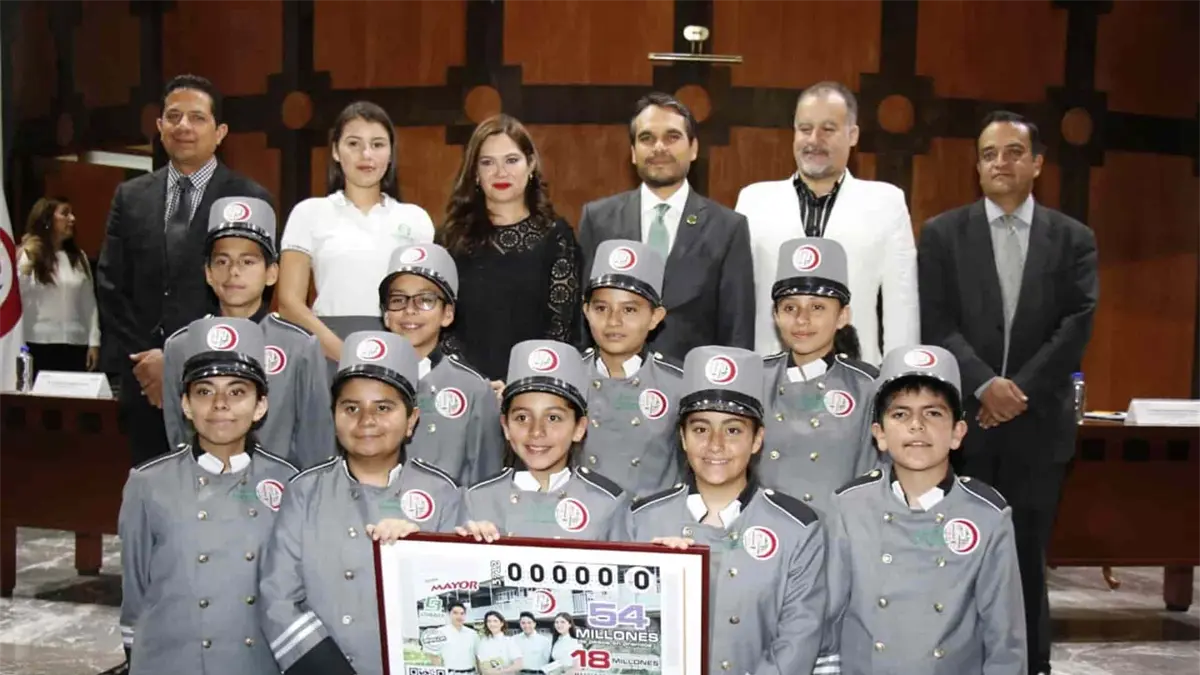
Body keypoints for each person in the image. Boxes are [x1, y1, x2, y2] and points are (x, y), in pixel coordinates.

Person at [918, 111, 1097, 675]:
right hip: (965, 428)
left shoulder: (1073, 239)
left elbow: (1077, 324)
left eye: (1014, 152)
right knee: (958, 550)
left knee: (1025, 555)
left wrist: (1018, 391)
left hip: (1038, 428)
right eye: (989, 153)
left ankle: (1030, 665)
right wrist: (984, 385)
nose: (1001, 162)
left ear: (1037, 164)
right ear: (977, 166)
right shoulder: (942, 234)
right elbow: (935, 321)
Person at [258, 331, 462, 675]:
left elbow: (453, 603)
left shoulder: (443, 494)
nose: (366, 421)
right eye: (351, 408)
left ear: (411, 419)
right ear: (334, 415)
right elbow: (278, 599)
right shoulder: (305, 491)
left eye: (383, 408)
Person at [96, 74, 274, 465]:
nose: (183, 126)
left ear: (220, 132)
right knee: (148, 488)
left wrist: (177, 361)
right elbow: (110, 285)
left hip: (217, 380)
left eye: (197, 117)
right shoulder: (130, 196)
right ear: (160, 126)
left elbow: (249, 292)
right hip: (141, 381)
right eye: (174, 117)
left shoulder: (248, 198)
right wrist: (147, 363)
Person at [819, 345, 1025, 674]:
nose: (917, 425)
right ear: (879, 434)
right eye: (900, 414)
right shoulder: (849, 506)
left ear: (957, 432)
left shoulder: (987, 515)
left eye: (933, 413)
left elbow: (1005, 639)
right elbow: (828, 618)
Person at [626, 346, 826, 675]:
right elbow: (623, 635)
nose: (715, 445)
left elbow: (797, 643)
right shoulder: (642, 520)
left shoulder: (796, 528)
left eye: (733, 430)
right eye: (700, 429)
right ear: (683, 437)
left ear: (757, 439)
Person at [117, 316, 299, 675]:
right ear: (186, 405)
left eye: (237, 392)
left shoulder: (290, 483)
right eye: (204, 391)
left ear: (260, 406)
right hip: (171, 661)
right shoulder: (148, 483)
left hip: (255, 664)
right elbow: (136, 591)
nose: (220, 404)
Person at [736, 81, 919, 364]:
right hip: (768, 373)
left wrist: (901, 379)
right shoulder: (753, 201)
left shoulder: (887, 203)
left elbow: (902, 307)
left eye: (828, 129)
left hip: (857, 373)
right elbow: (737, 304)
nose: (814, 140)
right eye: (805, 129)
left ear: (853, 135)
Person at [578, 93, 754, 361]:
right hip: (612, 382)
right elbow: (582, 321)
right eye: (647, 138)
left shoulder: (728, 228)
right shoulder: (598, 219)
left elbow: (737, 334)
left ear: (693, 148)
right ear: (633, 152)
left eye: (672, 137)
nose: (659, 147)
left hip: (693, 382)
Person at [162, 197, 332, 468]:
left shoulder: (299, 346)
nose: (233, 272)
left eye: (248, 261)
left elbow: (316, 441)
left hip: (282, 487)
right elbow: (178, 436)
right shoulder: (181, 345)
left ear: (271, 273)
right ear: (208, 273)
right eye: (222, 261)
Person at [278, 101, 435, 364]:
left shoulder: (415, 218)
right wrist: (347, 356)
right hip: (325, 349)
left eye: (377, 144)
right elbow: (288, 303)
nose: (366, 154)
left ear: (391, 153)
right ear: (335, 151)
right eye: (353, 143)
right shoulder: (309, 213)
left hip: (398, 349)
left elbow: (427, 303)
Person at [437, 114, 581, 381]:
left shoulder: (557, 236)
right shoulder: (449, 238)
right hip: (463, 386)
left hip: (536, 385)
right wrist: (475, 383)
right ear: (475, 173)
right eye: (487, 162)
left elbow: (562, 327)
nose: (500, 172)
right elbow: (440, 325)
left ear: (531, 164)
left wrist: (523, 383)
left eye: (511, 160)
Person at [458, 340, 628, 541]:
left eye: (553, 418)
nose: (536, 431)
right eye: (522, 417)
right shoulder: (477, 499)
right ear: (505, 426)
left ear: (579, 428)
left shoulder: (606, 502)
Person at [760, 237, 879, 512]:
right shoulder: (755, 378)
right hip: (764, 529)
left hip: (838, 529)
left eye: (817, 307)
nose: (802, 319)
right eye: (790, 308)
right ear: (776, 316)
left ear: (842, 316)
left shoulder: (868, 387)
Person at [379, 243, 503, 484]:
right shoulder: (362, 383)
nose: (410, 310)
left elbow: (486, 481)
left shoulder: (473, 388)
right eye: (398, 299)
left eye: (425, 300)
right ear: (386, 314)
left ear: (447, 313)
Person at [579, 239, 683, 496]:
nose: (613, 321)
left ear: (655, 317)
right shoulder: (569, 377)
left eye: (629, 310)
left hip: (653, 516)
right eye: (601, 308)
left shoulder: (678, 385)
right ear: (586, 311)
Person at [16, 196, 100, 375]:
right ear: (47, 219)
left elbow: (89, 304)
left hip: (75, 344)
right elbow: (19, 297)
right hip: (38, 343)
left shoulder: (78, 257)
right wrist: (25, 265)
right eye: (65, 214)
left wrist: (94, 342)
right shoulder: (29, 255)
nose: (72, 219)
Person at [427, 601, 480, 673]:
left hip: (471, 672)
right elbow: (434, 655)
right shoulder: (440, 633)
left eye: (462, 613)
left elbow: (478, 656)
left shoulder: (473, 634)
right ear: (449, 614)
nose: (459, 616)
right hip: (450, 672)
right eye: (455, 613)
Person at [477, 611, 524, 675]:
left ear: (501, 623)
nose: (492, 624)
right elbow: (483, 666)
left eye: (495, 621)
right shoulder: (483, 642)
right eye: (489, 621)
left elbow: (519, 665)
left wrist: (500, 671)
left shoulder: (509, 641)